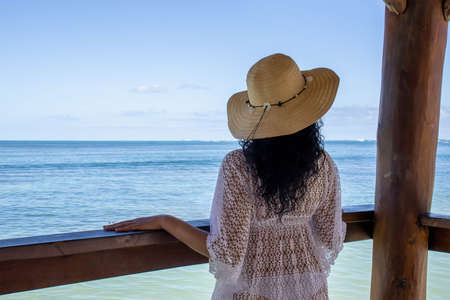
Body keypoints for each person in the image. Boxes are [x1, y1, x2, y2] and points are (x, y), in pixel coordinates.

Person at [104, 53, 346, 300]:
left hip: (251, 292)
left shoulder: (239, 166)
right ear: (308, 116)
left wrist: (167, 221)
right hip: (311, 289)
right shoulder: (324, 164)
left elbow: (227, 253)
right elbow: (330, 237)